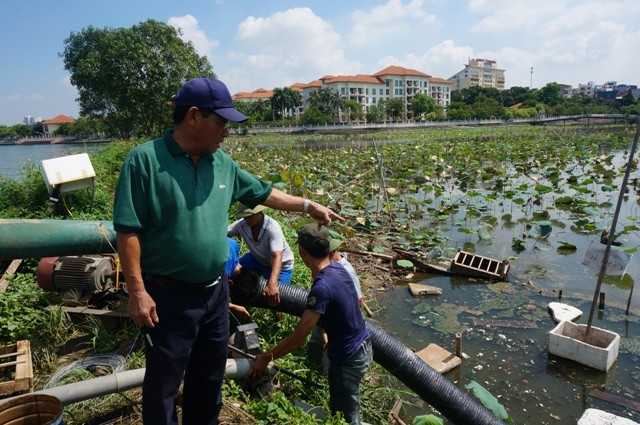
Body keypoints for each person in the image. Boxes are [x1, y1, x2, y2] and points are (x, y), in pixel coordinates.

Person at [113, 76, 341, 425]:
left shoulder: (223, 164)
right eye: (221, 122)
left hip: (215, 293)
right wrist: (138, 292)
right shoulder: (144, 161)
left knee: (208, 378)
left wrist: (308, 205)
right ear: (193, 116)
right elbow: (128, 231)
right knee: (163, 384)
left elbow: (264, 193)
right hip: (167, 298)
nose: (226, 132)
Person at [245, 224, 372, 425]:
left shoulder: (323, 286)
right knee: (345, 408)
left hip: (348, 358)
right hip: (360, 347)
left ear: (302, 252)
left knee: (346, 418)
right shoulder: (337, 268)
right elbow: (344, 309)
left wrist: (265, 358)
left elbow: (298, 336)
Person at [228, 203, 294, 306]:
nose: (247, 219)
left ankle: (280, 318)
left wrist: (272, 283)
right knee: (232, 271)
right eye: (245, 217)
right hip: (256, 258)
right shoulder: (242, 225)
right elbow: (223, 233)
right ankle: (236, 302)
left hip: (279, 264)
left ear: (259, 213)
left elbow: (277, 256)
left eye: (250, 216)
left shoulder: (272, 228)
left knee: (278, 297)